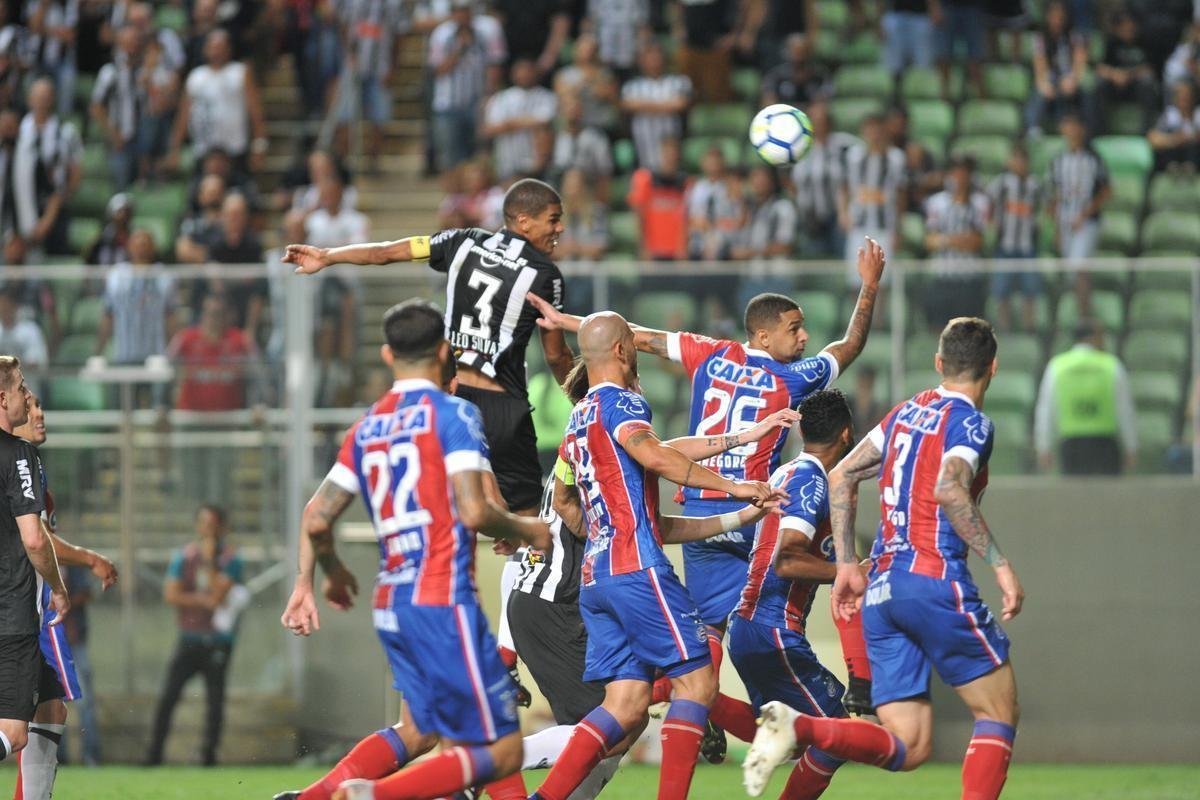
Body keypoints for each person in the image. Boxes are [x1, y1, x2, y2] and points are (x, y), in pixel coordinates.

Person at [525, 238, 886, 713]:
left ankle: (699, 713)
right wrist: (869, 286)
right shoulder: (797, 377)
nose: (804, 338)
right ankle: (852, 684)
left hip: (696, 512)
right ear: (763, 336)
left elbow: (637, 336)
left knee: (704, 634)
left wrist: (570, 322)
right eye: (794, 329)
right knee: (826, 566)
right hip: (755, 507)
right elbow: (850, 345)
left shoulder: (708, 354)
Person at [276, 299, 552, 800]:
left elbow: (316, 517)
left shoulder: (366, 426)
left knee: (423, 729)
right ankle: (368, 795)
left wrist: (320, 578)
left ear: (387, 355)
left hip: (392, 604)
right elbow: (476, 509)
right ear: (445, 351)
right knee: (502, 751)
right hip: (442, 599)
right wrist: (528, 529)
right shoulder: (454, 414)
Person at [742, 317, 1025, 800]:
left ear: (939, 363)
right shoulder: (972, 423)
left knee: (908, 745)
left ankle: (799, 726)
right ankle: (798, 727)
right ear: (993, 368)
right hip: (934, 578)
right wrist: (1000, 564)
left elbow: (842, 476)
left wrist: (847, 565)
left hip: (883, 590)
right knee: (998, 712)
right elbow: (950, 488)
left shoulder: (905, 413)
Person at [527, 311, 782, 800]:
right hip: (637, 570)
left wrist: (737, 506)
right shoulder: (623, 402)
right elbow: (657, 455)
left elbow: (564, 500)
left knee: (625, 705)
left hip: (598, 578)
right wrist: (734, 485)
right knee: (698, 685)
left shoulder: (577, 418)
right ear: (623, 350)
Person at [284, 178, 574, 515]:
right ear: (524, 221)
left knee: (449, 511)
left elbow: (385, 252)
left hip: (450, 399)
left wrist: (327, 256)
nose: (560, 228)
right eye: (553, 219)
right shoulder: (545, 275)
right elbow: (556, 354)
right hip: (502, 409)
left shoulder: (462, 241)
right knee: (526, 518)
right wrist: (581, 397)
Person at [727, 389, 861, 799]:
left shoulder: (785, 472)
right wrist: (846, 572)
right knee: (836, 736)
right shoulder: (810, 480)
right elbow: (786, 560)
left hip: (751, 626)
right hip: (772, 628)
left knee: (788, 734)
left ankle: (697, 701)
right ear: (846, 433)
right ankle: (690, 698)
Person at [14, 393, 118, 790]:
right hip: (24, 606)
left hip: (23, 603)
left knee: (46, 711)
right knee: (32, 718)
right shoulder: (18, 465)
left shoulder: (31, 468)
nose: (39, 414)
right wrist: (88, 559)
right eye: (30, 406)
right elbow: (36, 539)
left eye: (40, 405)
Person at [0, 357, 70, 773]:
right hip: (11, 615)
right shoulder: (19, 455)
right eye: (22, 388)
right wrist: (58, 588)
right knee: (14, 732)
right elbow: (34, 538)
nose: (28, 397)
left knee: (51, 707)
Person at [145, 505, 245, 767]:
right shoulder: (185, 556)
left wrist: (210, 561)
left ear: (222, 528)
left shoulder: (231, 559)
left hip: (218, 641)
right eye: (204, 524)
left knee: (215, 702)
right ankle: (154, 755)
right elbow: (171, 594)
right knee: (169, 696)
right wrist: (202, 600)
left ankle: (208, 756)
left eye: (213, 525)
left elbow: (219, 595)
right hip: (189, 638)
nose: (208, 530)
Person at [1034, 319, 1137, 476]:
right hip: (1105, 445)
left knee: (1074, 492)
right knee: (1107, 491)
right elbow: (1124, 410)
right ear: (1093, 337)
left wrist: (1043, 446)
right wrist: (1131, 446)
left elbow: (1046, 409)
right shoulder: (1112, 365)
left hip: (1071, 446)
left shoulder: (1057, 366)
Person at [167, 29, 268, 178]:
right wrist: (175, 148)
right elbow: (183, 115)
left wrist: (259, 144)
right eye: (213, 47)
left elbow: (255, 111)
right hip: (204, 149)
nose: (217, 52)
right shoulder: (196, 76)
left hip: (234, 148)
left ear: (229, 49)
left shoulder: (239, 72)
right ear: (205, 49)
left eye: (221, 47)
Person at [427, 0, 506, 173]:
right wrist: (459, 50)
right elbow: (438, 70)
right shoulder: (441, 34)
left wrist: (488, 99)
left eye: (465, 10)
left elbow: (495, 66)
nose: (462, 15)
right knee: (450, 160)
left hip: (478, 104)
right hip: (448, 104)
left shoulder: (489, 29)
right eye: (458, 11)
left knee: (479, 158)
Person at [1048, 112, 1109, 314]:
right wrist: (1057, 227)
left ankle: (1084, 316)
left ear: (1082, 129)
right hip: (1065, 223)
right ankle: (1075, 313)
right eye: (1068, 125)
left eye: (1075, 125)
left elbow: (1106, 190)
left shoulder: (1093, 159)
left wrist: (1085, 214)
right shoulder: (1057, 161)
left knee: (1080, 268)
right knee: (1071, 273)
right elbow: (1054, 195)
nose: (1071, 130)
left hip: (1087, 222)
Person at [13, 78, 81, 258]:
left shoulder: (66, 131)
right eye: (38, 97)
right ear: (29, 99)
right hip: (21, 203)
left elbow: (75, 170)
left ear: (53, 100)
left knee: (55, 257)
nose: (41, 102)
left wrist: (63, 199)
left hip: (57, 206)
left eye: (45, 97)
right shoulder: (18, 131)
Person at [334, 0, 404, 170]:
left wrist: (393, 67)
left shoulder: (392, 4)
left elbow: (399, 35)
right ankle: (343, 163)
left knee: (380, 116)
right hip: (353, 66)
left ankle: (374, 161)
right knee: (344, 115)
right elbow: (342, 25)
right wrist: (349, 53)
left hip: (381, 66)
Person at [922, 154, 990, 328]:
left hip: (969, 277)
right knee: (939, 327)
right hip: (943, 276)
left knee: (970, 330)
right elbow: (929, 241)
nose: (959, 178)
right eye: (956, 173)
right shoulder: (936, 203)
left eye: (964, 173)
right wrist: (960, 240)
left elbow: (977, 242)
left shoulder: (980, 203)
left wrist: (945, 240)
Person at [839, 115, 905, 283]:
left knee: (881, 279)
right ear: (863, 132)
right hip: (858, 225)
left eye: (877, 130)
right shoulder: (853, 157)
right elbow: (844, 187)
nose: (874, 135)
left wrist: (898, 229)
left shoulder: (896, 158)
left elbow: (901, 194)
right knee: (855, 279)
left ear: (884, 132)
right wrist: (843, 213)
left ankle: (881, 304)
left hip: (885, 226)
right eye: (870, 130)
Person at [96, 230, 177, 366]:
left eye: (145, 244)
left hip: (156, 356)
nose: (141, 249)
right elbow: (108, 314)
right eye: (137, 245)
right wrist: (98, 351)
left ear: (153, 248)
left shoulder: (165, 276)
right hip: (125, 353)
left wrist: (174, 353)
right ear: (129, 247)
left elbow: (170, 317)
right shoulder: (116, 276)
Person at [989, 144, 1044, 333]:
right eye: (1016, 159)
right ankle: (1004, 328)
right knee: (1001, 290)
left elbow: (1045, 209)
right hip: (1005, 246)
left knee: (1030, 290)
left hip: (1028, 247)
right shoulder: (1000, 184)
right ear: (1009, 162)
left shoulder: (1035, 185)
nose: (1019, 163)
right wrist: (992, 223)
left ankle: (1029, 328)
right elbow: (988, 203)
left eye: (1023, 159)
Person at [790, 101, 854, 260]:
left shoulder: (844, 144)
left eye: (821, 120)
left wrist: (846, 210)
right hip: (809, 217)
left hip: (837, 217)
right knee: (815, 262)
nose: (818, 125)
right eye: (814, 120)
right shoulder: (798, 147)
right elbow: (789, 179)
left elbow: (856, 174)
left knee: (842, 260)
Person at [482, 59, 558, 181]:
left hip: (537, 163)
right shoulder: (501, 97)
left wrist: (509, 124)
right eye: (520, 71)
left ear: (536, 73)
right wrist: (528, 122)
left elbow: (545, 121)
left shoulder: (547, 96)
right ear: (513, 74)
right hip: (507, 162)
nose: (524, 75)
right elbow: (490, 128)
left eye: (528, 71)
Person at [621, 42, 692, 172]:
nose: (654, 59)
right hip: (643, 147)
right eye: (649, 55)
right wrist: (666, 105)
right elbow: (628, 105)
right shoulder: (632, 85)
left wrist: (644, 106)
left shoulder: (679, 81)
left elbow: (681, 103)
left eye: (657, 54)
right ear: (641, 60)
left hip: (672, 142)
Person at [90, 24, 144, 190]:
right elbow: (96, 107)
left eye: (135, 41)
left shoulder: (143, 70)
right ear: (119, 44)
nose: (132, 46)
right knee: (121, 189)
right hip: (120, 139)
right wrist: (113, 134)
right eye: (128, 42)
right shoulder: (110, 71)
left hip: (142, 138)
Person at [1026, 0, 1089, 134]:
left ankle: (1074, 129)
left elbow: (1080, 60)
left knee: (1075, 91)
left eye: (1060, 17)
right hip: (1051, 76)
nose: (1057, 20)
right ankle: (1032, 128)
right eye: (1053, 16)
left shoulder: (1075, 35)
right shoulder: (1040, 37)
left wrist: (1073, 78)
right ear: (1047, 17)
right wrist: (1043, 83)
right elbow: (1039, 64)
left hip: (1069, 77)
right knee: (1040, 91)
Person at [1094, 9, 1158, 135]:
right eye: (1124, 27)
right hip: (1115, 85)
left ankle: (1147, 131)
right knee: (1099, 83)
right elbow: (1100, 67)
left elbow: (1151, 68)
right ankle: (1100, 130)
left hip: (1136, 85)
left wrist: (1129, 75)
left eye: (1131, 27)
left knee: (1147, 82)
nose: (1128, 30)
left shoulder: (1145, 41)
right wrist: (1114, 74)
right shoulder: (1111, 42)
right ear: (1118, 29)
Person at [626, 137, 689, 261]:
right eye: (667, 153)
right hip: (652, 250)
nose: (670, 157)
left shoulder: (686, 183)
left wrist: (683, 247)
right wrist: (643, 247)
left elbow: (686, 218)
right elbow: (639, 215)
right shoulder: (645, 179)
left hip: (676, 251)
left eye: (673, 153)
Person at [761, 33, 829, 108]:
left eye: (802, 52)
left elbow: (822, 101)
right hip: (783, 112)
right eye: (795, 52)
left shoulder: (819, 76)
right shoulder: (776, 76)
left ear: (809, 53)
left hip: (809, 113)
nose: (799, 57)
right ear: (787, 53)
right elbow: (768, 101)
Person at [935, 0, 985, 99]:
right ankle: (944, 94)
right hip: (947, 7)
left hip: (973, 8)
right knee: (944, 54)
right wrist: (935, 7)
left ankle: (981, 96)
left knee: (975, 56)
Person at [1148, 80, 1200, 172]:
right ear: (1175, 99)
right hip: (1172, 157)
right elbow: (1153, 138)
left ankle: (1190, 167)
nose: (1185, 101)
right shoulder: (1169, 116)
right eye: (1181, 97)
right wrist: (1175, 139)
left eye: (1187, 97)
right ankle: (1173, 167)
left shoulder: (1198, 115)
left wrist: (1193, 138)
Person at [880, 0, 938, 81]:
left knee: (923, 60)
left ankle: (918, 82)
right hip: (895, 14)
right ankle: (898, 86)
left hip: (921, 15)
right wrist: (880, 20)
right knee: (895, 61)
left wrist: (934, 9)